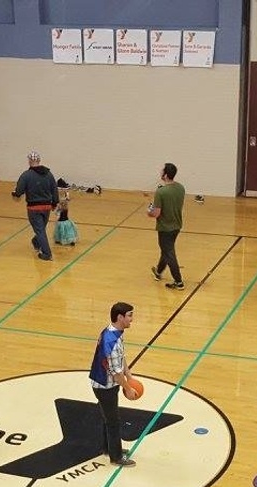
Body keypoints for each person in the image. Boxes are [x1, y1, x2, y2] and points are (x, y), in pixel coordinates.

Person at [88, 302, 138, 467]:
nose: (132, 319)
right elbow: (116, 374)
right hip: (105, 386)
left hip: (101, 381)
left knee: (107, 417)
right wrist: (128, 388)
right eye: (129, 315)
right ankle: (115, 457)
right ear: (120, 317)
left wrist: (129, 374)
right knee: (113, 421)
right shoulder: (112, 342)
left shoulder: (112, 331)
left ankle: (107, 448)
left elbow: (121, 357)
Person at [12, 151, 58, 261]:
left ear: (29, 161)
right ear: (39, 160)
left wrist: (15, 194)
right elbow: (54, 189)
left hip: (33, 208)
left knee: (40, 230)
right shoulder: (49, 174)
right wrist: (54, 203)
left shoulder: (26, 175)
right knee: (41, 229)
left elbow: (19, 191)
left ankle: (47, 254)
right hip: (46, 207)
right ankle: (36, 241)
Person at [148, 162, 187, 290]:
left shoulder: (161, 192)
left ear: (165, 175)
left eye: (161, 171)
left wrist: (149, 212)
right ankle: (158, 273)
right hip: (177, 225)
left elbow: (156, 213)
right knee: (166, 250)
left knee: (169, 252)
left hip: (165, 228)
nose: (160, 173)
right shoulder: (180, 188)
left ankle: (178, 281)